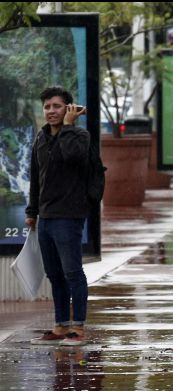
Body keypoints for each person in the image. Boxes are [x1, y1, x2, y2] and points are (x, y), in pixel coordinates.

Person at [26, 86, 90, 346]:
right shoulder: (41, 138)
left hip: (69, 215)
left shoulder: (79, 136)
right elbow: (35, 179)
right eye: (47, 107)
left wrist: (67, 127)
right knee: (54, 273)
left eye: (56, 106)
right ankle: (61, 325)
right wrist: (32, 212)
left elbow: (70, 156)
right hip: (46, 216)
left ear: (68, 109)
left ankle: (79, 328)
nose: (51, 111)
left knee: (73, 272)